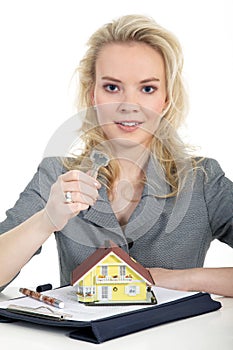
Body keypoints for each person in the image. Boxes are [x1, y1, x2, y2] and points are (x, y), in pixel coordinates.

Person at [0, 14, 232, 297]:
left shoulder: (203, 181)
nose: (129, 105)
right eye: (112, 87)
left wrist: (180, 279)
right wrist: (47, 219)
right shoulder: (57, 176)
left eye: (147, 89)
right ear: (92, 95)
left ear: (166, 99)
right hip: (83, 341)